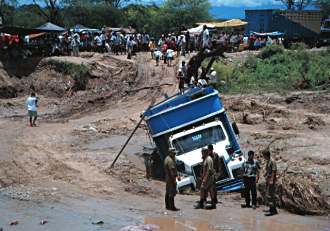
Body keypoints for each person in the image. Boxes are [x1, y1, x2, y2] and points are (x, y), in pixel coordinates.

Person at [262, 149, 278, 216]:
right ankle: (272, 208)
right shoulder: (268, 161)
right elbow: (269, 170)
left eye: (263, 155)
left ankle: (273, 211)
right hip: (268, 179)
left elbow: (274, 171)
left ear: (266, 155)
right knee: (269, 194)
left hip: (271, 180)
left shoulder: (272, 161)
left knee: (270, 195)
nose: (263, 157)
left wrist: (271, 180)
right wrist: (265, 174)